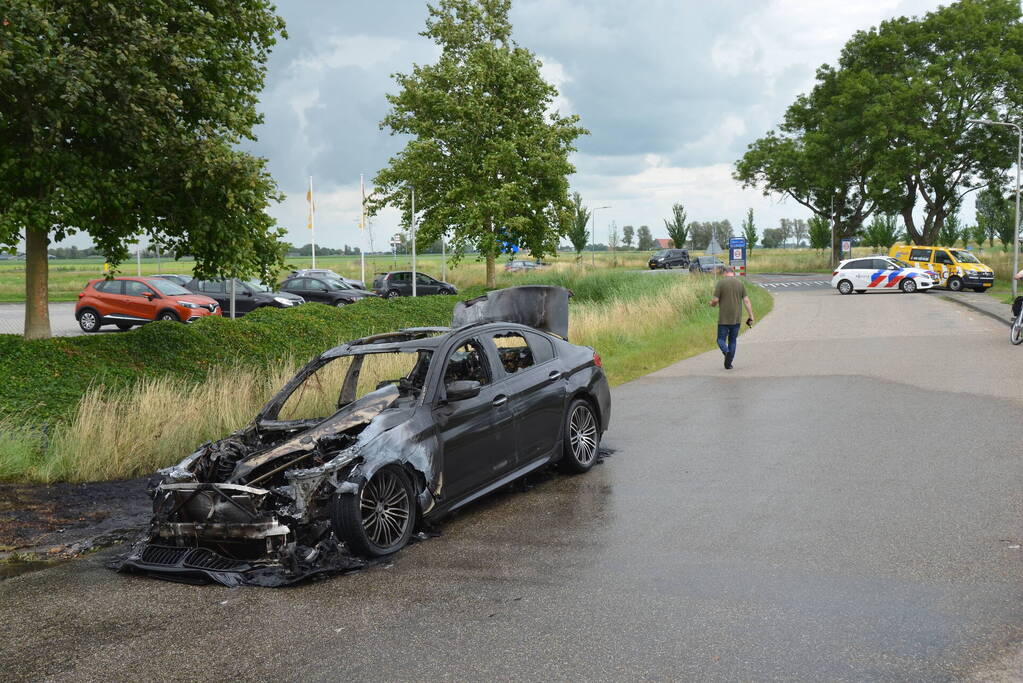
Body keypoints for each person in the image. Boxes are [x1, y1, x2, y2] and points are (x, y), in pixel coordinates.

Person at [709, 265, 754, 369]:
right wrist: (751, 316)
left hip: (724, 319)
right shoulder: (740, 283)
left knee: (720, 340)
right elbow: (746, 301)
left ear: (725, 273)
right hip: (736, 318)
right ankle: (728, 364)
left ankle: (726, 352)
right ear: (733, 273)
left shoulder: (721, 283)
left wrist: (711, 304)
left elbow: (715, 300)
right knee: (732, 340)